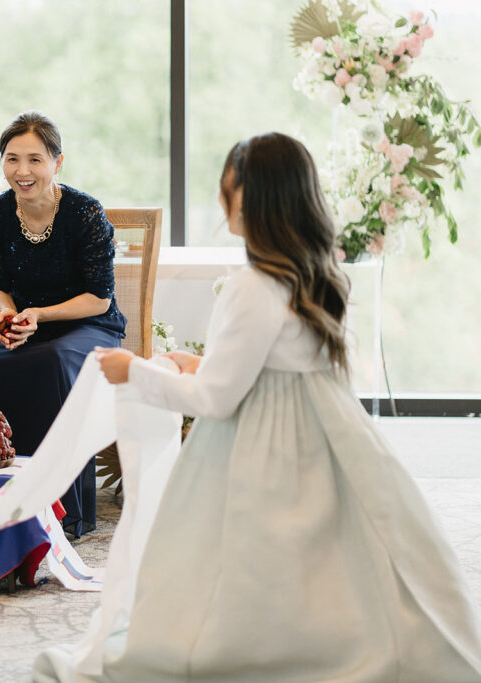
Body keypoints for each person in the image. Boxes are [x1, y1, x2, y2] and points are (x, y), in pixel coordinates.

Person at [36, 132, 481, 681]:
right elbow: (281, 363)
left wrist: (139, 372)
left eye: (228, 194)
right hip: (330, 432)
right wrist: (204, 362)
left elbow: (217, 401)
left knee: (243, 561)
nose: (225, 210)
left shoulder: (254, 284)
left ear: (251, 200)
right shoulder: (318, 272)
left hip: (265, 444)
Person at [0, 111, 125, 537]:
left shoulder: (84, 211)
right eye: (12, 159)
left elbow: (100, 297)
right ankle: (8, 505)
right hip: (25, 323)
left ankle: (61, 511)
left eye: (35, 159)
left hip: (88, 325)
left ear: (58, 162)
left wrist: (40, 315)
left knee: (53, 361)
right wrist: (7, 315)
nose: (23, 171)